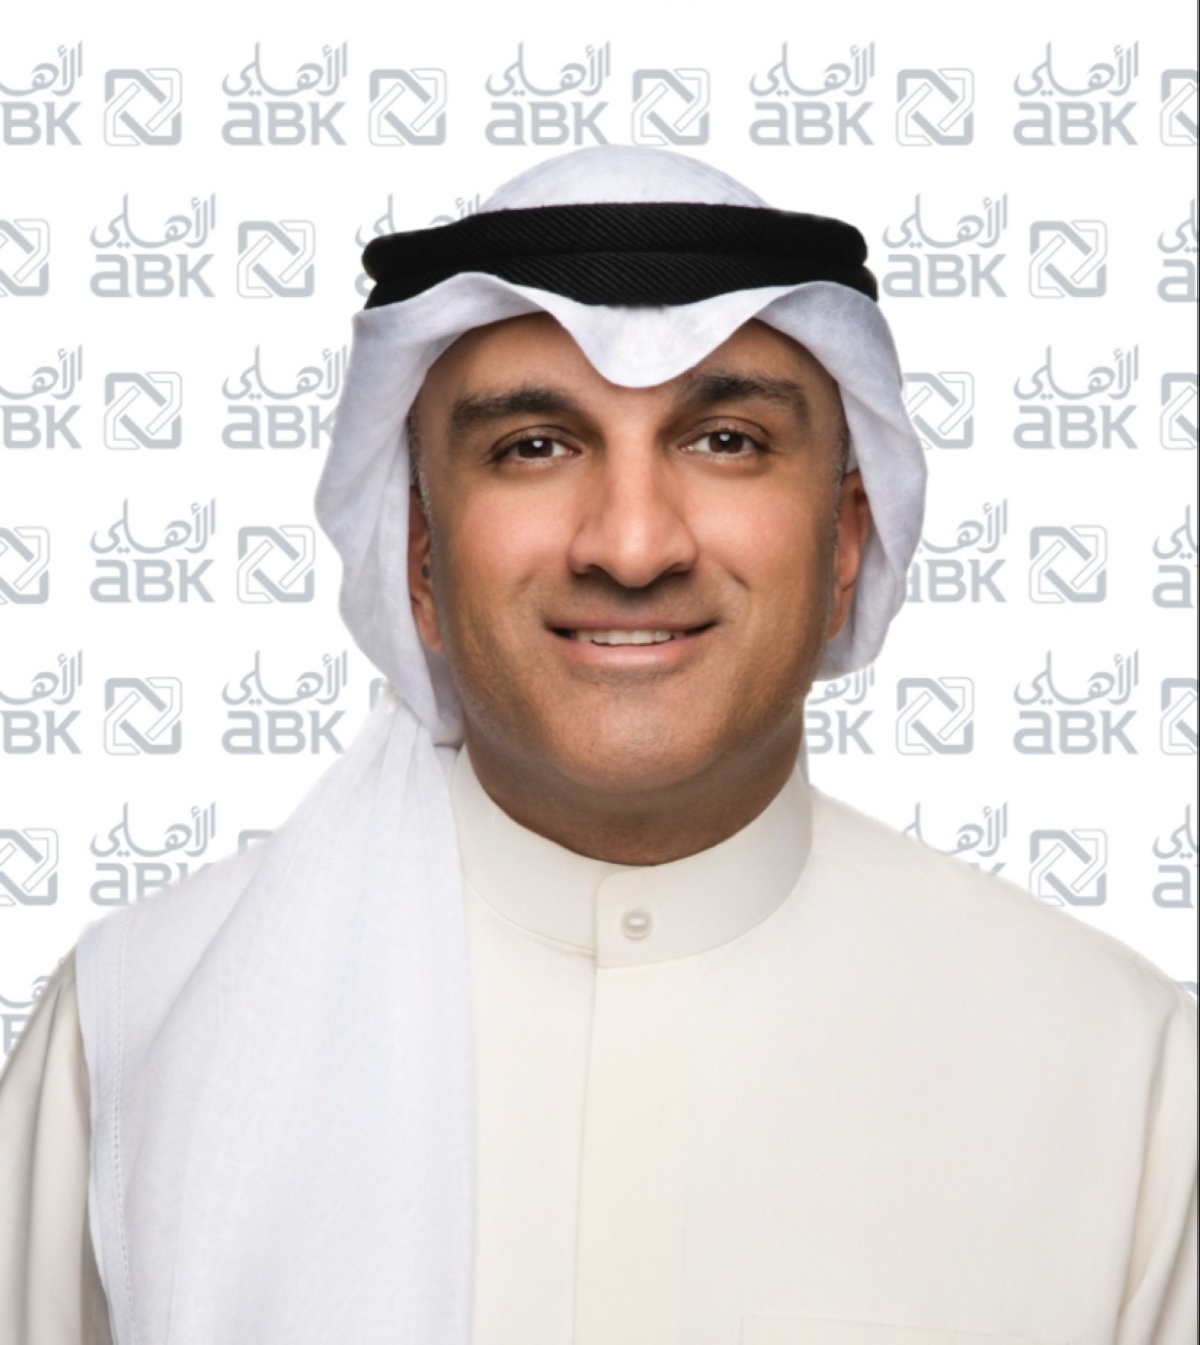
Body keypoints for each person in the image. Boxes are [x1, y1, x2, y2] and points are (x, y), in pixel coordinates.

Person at [0, 147, 1194, 1345]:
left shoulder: (1123, 1077)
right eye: (534, 445)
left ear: (844, 542)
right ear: (419, 555)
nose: (630, 546)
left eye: (724, 439)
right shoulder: (132, 1032)